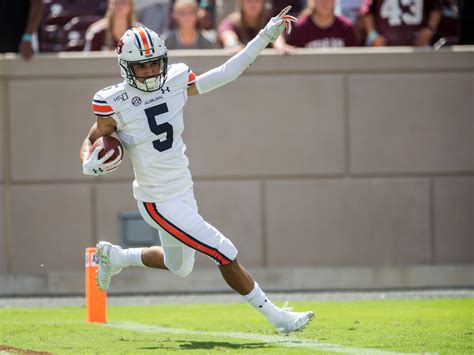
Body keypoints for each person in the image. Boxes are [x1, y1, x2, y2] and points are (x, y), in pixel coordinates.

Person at [80, 7, 314, 335]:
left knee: (180, 266)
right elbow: (95, 136)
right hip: (156, 199)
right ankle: (278, 318)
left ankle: (116, 257)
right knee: (224, 251)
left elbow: (226, 73)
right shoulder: (113, 100)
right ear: (126, 68)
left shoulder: (175, 79)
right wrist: (86, 158)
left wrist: (264, 37)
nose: (149, 71)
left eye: (153, 63)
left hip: (182, 189)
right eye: (141, 66)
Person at [275, 0, 357, 49]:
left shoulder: (346, 27)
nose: (324, 3)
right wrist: (281, 46)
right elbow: (277, 34)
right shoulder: (301, 27)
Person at [360, 0, 441, 46]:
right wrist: (373, 35)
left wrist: (430, 29)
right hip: (385, 48)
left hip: (419, 46)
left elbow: (435, 9)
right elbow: (367, 12)